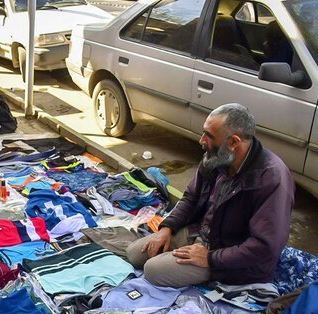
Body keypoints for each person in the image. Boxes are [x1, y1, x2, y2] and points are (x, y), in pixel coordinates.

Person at [126, 103, 295, 287]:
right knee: (134, 253)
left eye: (209, 136)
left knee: (153, 270)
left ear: (233, 142)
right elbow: (190, 198)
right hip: (202, 233)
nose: (202, 140)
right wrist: (167, 228)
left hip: (233, 260)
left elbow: (264, 246)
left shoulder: (271, 177)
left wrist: (210, 258)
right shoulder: (216, 159)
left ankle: (194, 267)